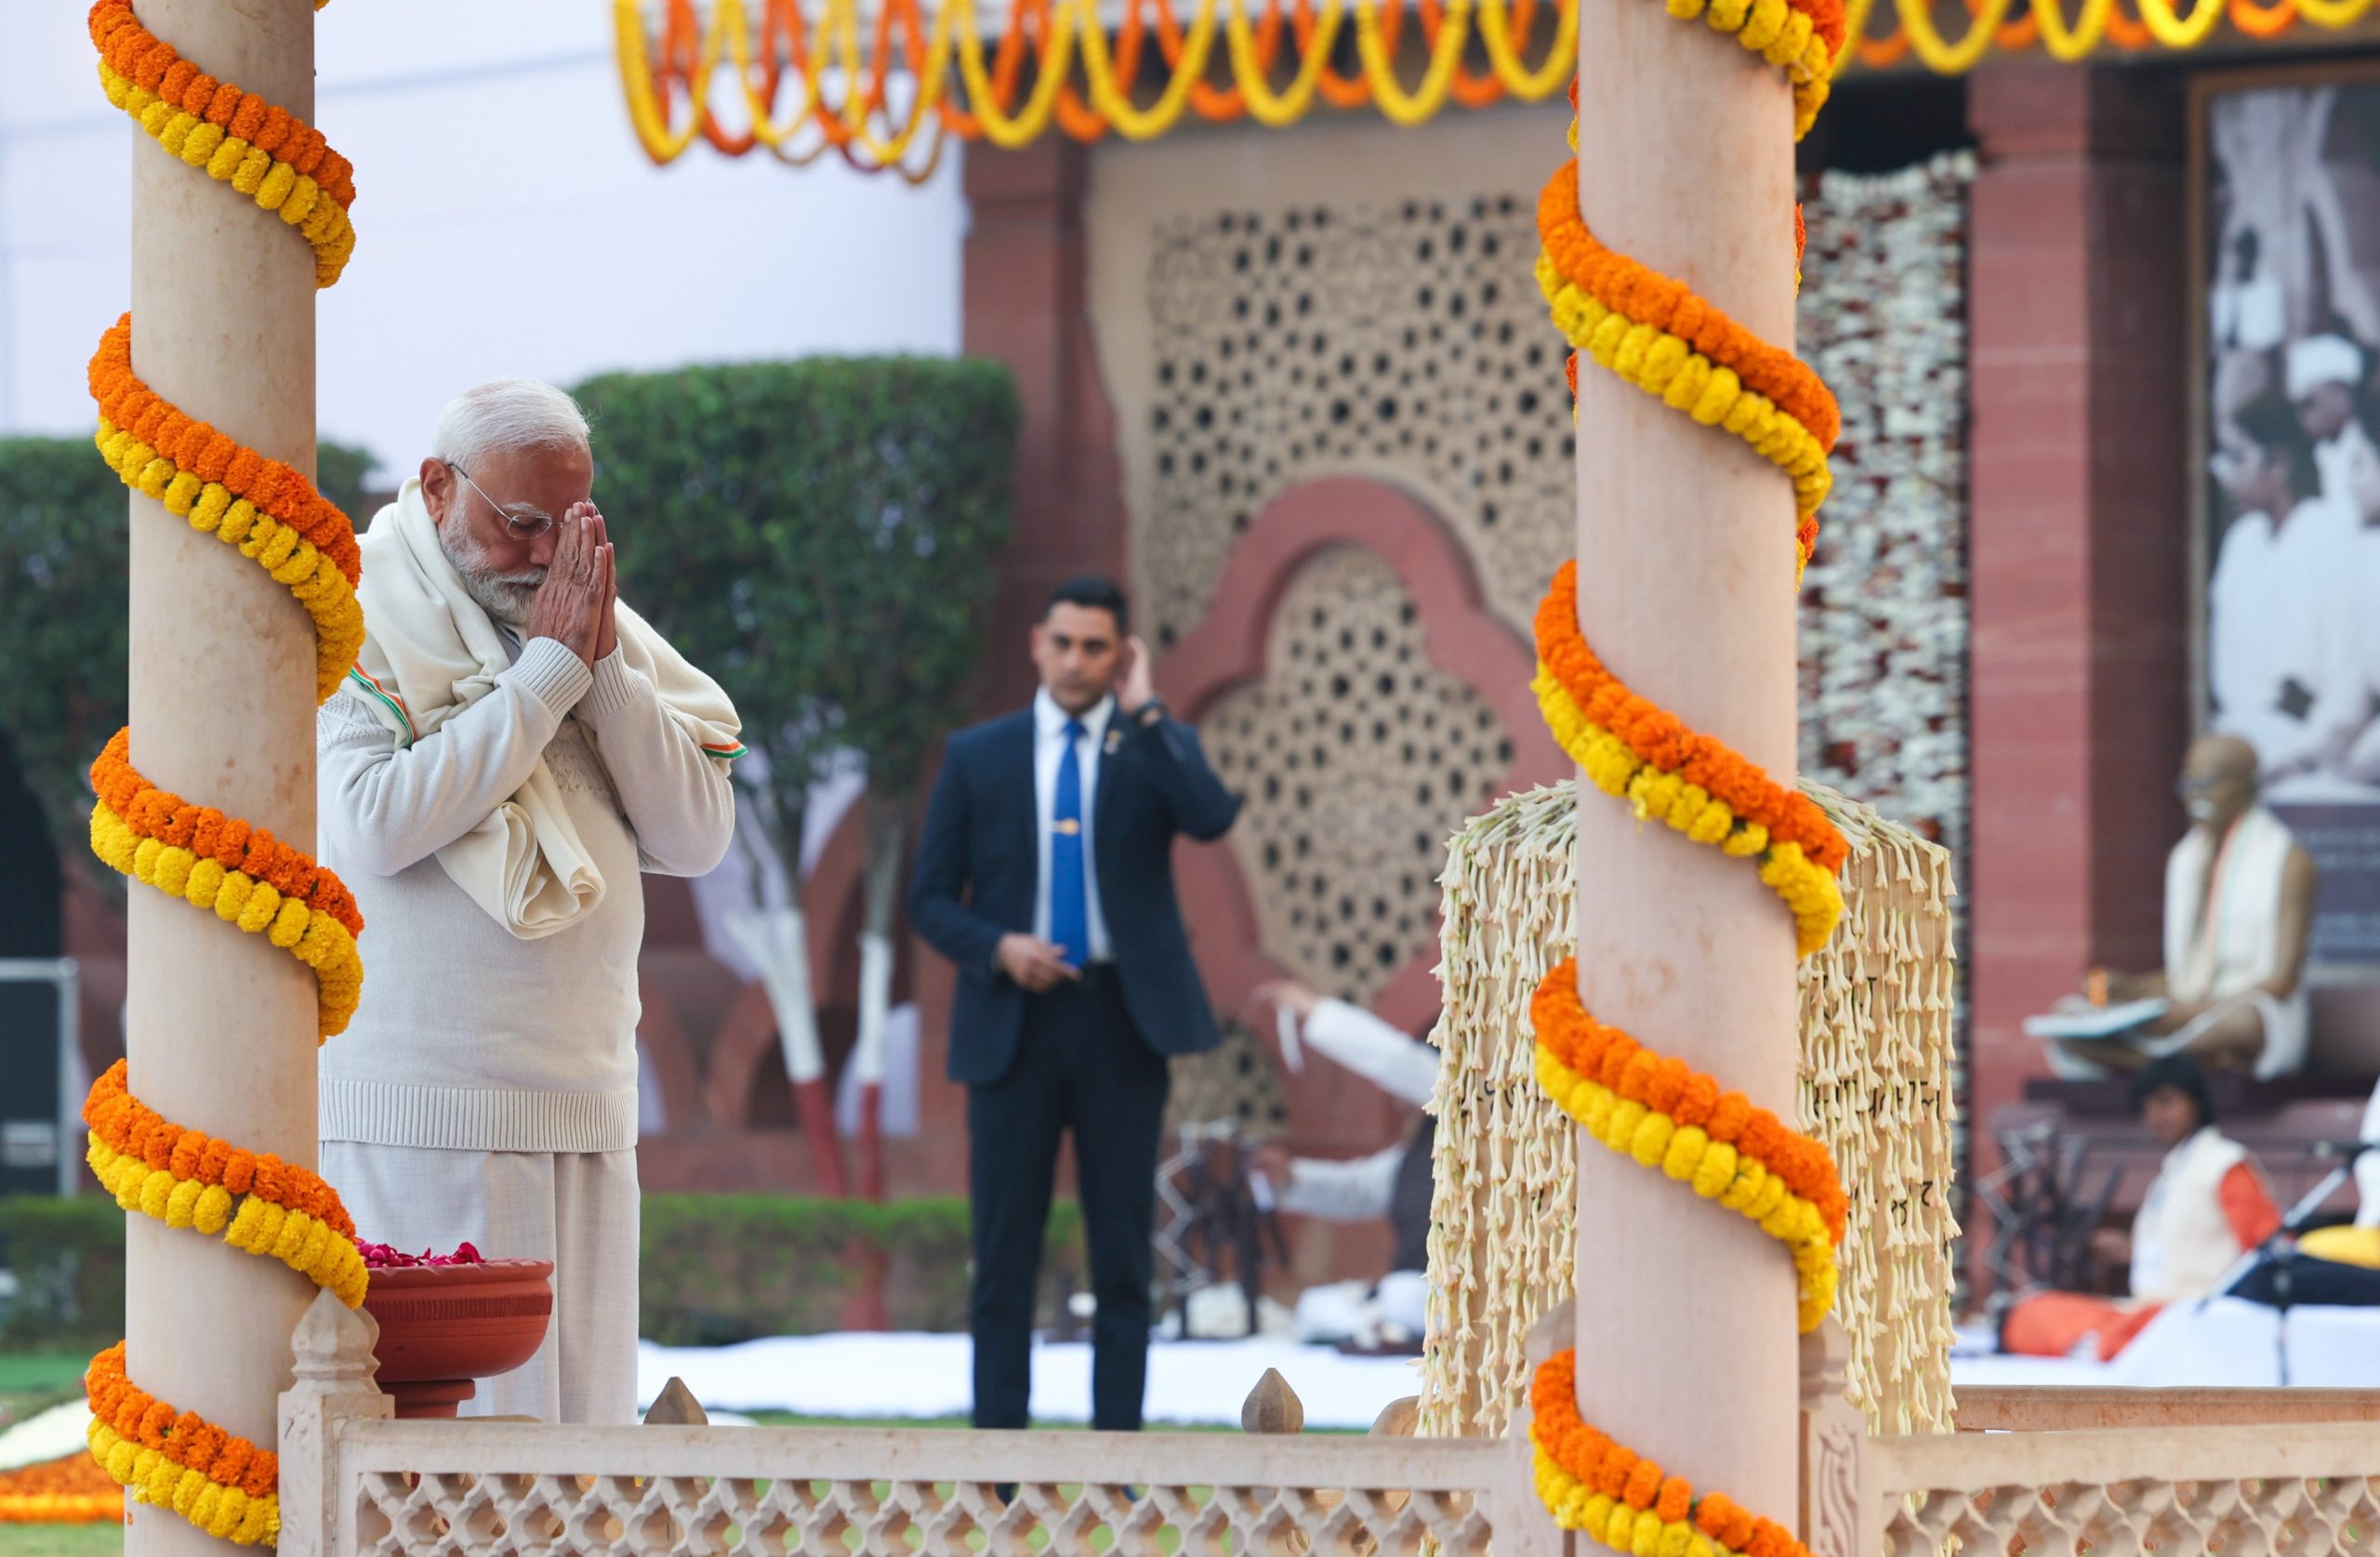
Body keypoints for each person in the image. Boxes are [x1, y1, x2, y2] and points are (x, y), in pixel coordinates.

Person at [315, 378, 743, 1424]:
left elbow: (697, 836)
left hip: (586, 1098)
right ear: (436, 486)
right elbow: (371, 819)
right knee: (457, 1460)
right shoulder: (355, 609)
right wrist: (546, 677)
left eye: (571, 524)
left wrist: (596, 672)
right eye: (520, 524)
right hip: (423, 1113)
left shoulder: (597, 629)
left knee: (581, 1450)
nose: (547, 553)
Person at [909, 576, 1241, 1432]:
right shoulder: (979, 755)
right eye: (1064, 642)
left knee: (1124, 1252)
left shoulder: (1148, 748)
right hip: (1012, 1024)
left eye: (1097, 647)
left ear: (1119, 655)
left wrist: (1151, 711)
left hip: (1121, 1023)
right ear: (1037, 642)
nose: (1076, 661)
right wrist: (999, 947)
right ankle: (998, 1469)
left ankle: (1119, 1461)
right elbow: (931, 898)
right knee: (1005, 1254)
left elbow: (1210, 816)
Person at [2050, 735, 2315, 1080]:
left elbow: (2282, 981)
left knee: (2243, 1024)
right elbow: (2187, 975)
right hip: (2182, 1015)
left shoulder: (2289, 860)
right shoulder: (2185, 858)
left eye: (2206, 784)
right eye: (2187, 784)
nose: (2193, 796)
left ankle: (2146, 1065)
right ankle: (2176, 1067)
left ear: (2246, 786)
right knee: (2069, 1015)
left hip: (2246, 1014)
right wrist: (2128, 988)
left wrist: (2191, 1013)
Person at [2002, 1056, 2281, 1361]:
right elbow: (2179, 1248)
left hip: (2194, 1315)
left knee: (2062, 1325)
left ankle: (2106, 1345)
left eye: (2166, 1102)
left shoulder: (2224, 1163)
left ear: (2197, 1101)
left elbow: (2268, 1249)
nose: (2156, 1115)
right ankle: (2103, 1343)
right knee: (2031, 1310)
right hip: (2144, 1311)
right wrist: (2128, 1250)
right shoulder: (2172, 1171)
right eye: (2147, 1107)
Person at [1245, 981, 1439, 1346]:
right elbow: (1355, 1189)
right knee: (1316, 1306)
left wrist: (1316, 1011)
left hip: (1455, 1304)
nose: (1400, 1100)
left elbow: (1400, 1063)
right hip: (1409, 1304)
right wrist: (1289, 1179)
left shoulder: (1491, 1129)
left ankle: (1380, 1317)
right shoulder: (1418, 1153)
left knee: (1401, 1295)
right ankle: (1376, 1318)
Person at [2206, 390, 2360, 786]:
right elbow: (2228, 662)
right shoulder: (2241, 541)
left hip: (2311, 753)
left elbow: (2347, 667)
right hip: (2240, 744)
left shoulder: (2331, 533)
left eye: (2240, 458)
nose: (2228, 475)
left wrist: (2305, 753)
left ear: (2278, 464)